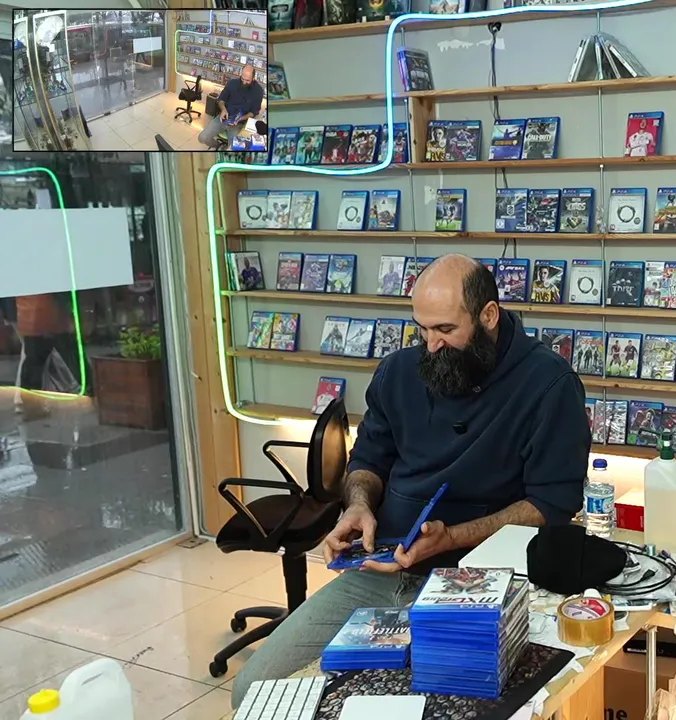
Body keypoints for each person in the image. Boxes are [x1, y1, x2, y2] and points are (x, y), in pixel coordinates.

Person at [231, 255, 590, 709]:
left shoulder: (548, 384)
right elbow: (368, 459)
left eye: (445, 329)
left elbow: (551, 503)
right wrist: (357, 505)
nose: (431, 346)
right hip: (382, 571)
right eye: (422, 330)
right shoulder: (399, 371)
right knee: (252, 692)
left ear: (488, 316)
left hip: (477, 583)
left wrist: (452, 538)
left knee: (425, 705)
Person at [199, 63, 265, 149]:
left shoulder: (258, 91)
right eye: (242, 79)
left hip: (239, 124)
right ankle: (218, 146)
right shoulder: (232, 83)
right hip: (223, 118)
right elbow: (221, 100)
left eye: (247, 80)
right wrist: (223, 110)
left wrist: (241, 118)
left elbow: (253, 112)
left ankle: (226, 148)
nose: (244, 82)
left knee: (233, 148)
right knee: (202, 138)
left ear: (253, 78)